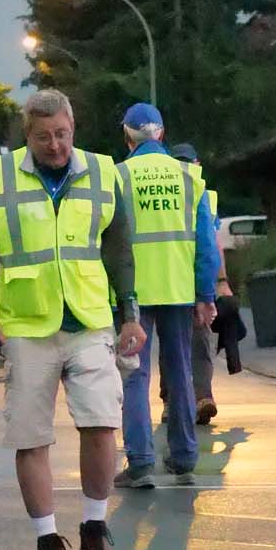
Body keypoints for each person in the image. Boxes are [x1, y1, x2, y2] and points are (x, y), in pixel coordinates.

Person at [0, 90, 145, 550]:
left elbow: (119, 245)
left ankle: (93, 527)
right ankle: (47, 543)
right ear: (28, 136)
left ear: (74, 127)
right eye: (44, 137)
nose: (55, 145)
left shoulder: (103, 170)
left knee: (101, 424)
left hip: (89, 319)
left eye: (63, 134)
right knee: (31, 436)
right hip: (25, 323)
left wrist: (130, 311)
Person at [114, 105, 218, 488]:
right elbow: (206, 244)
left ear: (127, 137)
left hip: (133, 295)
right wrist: (206, 294)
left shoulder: (119, 176)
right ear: (162, 133)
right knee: (180, 371)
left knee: (134, 376)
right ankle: (185, 456)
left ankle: (140, 462)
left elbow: (110, 241)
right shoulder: (190, 177)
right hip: (178, 289)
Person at [170, 142, 231, 426]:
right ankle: (176, 398)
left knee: (197, 339)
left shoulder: (206, 195)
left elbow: (214, 244)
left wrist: (221, 282)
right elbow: (211, 245)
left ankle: (201, 397)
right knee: (185, 341)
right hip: (177, 281)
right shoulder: (188, 193)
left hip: (181, 281)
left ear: (197, 164)